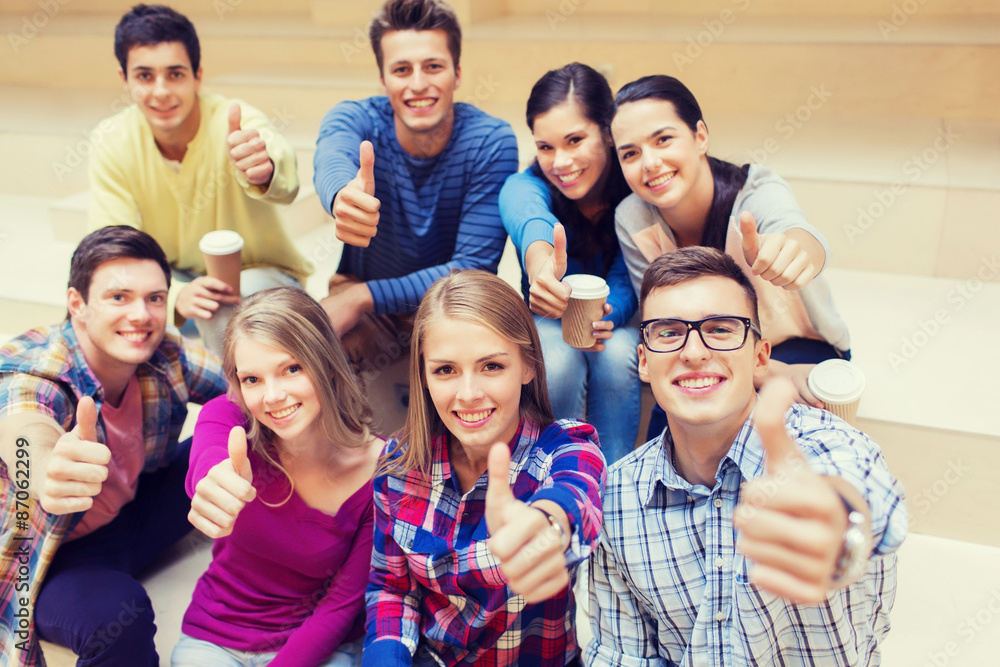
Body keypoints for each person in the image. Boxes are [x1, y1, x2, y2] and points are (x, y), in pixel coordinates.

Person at [586, 247, 907, 666]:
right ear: (644, 361)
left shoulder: (826, 443)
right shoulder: (616, 497)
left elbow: (869, 495)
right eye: (668, 332)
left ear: (760, 357)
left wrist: (840, 517)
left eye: (719, 329)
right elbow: (620, 655)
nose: (694, 352)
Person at [0, 225, 228, 666]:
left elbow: (242, 387)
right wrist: (46, 468)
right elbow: (22, 422)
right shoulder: (37, 371)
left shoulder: (162, 351)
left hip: (130, 514)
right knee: (120, 617)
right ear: (77, 305)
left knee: (246, 426)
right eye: (118, 297)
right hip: (53, 556)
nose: (141, 315)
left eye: (155, 298)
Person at [363, 270, 605, 666]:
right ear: (423, 376)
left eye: (491, 366)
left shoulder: (568, 448)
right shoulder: (400, 463)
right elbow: (392, 588)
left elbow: (574, 498)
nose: (469, 394)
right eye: (445, 370)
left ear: (527, 366)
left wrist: (547, 529)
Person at [609, 75, 851, 437]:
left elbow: (798, 232)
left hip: (796, 348)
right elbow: (660, 319)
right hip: (703, 346)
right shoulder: (633, 217)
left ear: (700, 136)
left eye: (663, 139)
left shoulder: (755, 191)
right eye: (630, 153)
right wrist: (769, 373)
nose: (649, 162)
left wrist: (796, 254)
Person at [172, 287, 382, 666]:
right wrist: (212, 483)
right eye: (252, 379)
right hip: (216, 636)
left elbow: (341, 605)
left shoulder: (378, 471)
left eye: (291, 369)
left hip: (320, 649)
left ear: (328, 364)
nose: (272, 396)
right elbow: (210, 459)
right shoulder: (231, 417)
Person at [88, 4, 312, 354]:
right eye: (145, 76)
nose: (161, 91)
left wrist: (264, 168)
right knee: (97, 307)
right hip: (171, 281)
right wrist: (173, 295)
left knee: (217, 306)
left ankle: (236, 407)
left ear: (198, 75)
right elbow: (110, 245)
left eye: (175, 74)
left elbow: (282, 172)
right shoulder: (112, 140)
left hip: (260, 277)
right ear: (125, 79)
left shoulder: (234, 119)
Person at [313, 0, 518, 378]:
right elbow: (332, 154)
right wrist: (342, 195)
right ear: (382, 78)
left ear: (457, 73)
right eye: (402, 69)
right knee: (309, 358)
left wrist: (360, 298)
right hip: (371, 300)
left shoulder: (491, 140)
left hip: (455, 301)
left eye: (433, 67)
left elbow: (471, 266)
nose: (418, 84)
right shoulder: (356, 117)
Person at [499, 63, 639, 464]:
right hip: (546, 317)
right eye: (545, 147)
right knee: (555, 360)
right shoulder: (525, 186)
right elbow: (530, 220)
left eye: (574, 140)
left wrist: (610, 313)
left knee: (616, 355)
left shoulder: (632, 186)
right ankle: (552, 475)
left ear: (608, 133)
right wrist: (542, 268)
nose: (560, 161)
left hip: (615, 317)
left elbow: (629, 270)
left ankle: (612, 482)